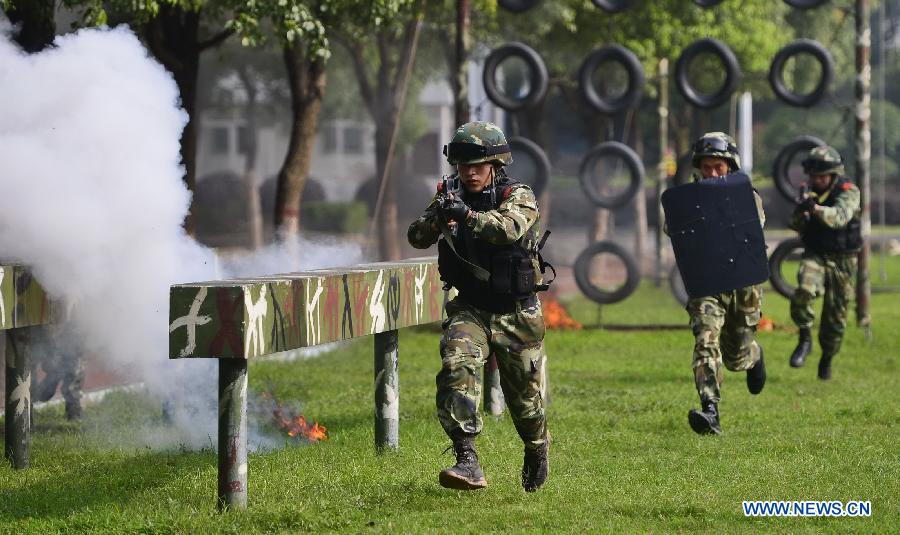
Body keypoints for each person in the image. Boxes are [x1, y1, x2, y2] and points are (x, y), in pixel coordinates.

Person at [407, 121, 550, 492]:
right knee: (456, 364)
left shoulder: (518, 194)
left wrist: (466, 216)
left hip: (518, 314)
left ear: (494, 165)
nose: (469, 172)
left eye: (477, 164)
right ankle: (467, 458)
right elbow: (417, 237)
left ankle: (537, 448)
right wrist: (439, 215)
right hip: (471, 308)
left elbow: (507, 229)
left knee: (526, 403)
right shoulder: (449, 194)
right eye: (463, 164)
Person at [683, 132, 767, 436]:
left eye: (718, 167)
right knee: (705, 341)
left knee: (736, 357)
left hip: (743, 285)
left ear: (730, 166)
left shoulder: (748, 196)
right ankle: (710, 410)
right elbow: (674, 228)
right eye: (707, 167)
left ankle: (754, 356)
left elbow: (752, 225)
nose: (712, 173)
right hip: (708, 282)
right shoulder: (689, 199)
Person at [787, 146, 861, 380]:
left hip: (843, 260)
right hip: (816, 254)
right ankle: (805, 337)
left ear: (833, 174)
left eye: (822, 176)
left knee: (835, 317)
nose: (818, 180)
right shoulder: (808, 192)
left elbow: (839, 217)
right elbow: (796, 226)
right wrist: (801, 213)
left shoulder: (849, 191)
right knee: (804, 291)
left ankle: (827, 357)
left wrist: (816, 209)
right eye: (814, 176)